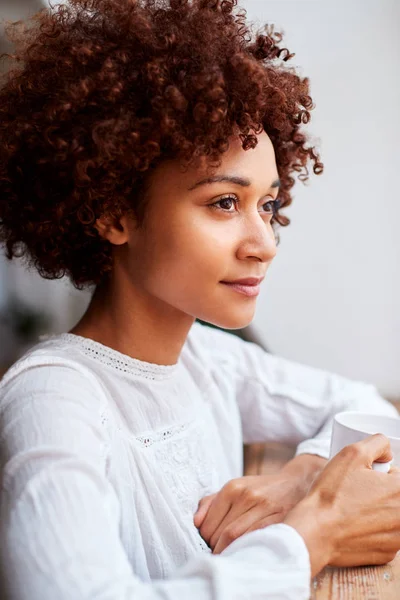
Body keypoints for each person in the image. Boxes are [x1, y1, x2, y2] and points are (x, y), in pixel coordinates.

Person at [0, 1, 400, 598]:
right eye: (223, 203)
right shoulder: (53, 398)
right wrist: (309, 538)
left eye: (267, 205)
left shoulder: (208, 361)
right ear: (114, 211)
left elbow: (367, 408)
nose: (264, 244)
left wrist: (302, 477)